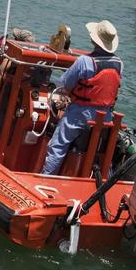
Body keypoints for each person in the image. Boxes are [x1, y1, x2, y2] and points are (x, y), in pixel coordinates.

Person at [41, 20, 123, 176]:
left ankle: (47, 177)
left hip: (79, 115)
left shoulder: (84, 61)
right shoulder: (119, 63)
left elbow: (65, 85)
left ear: (94, 40)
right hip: (105, 117)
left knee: (57, 146)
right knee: (103, 152)